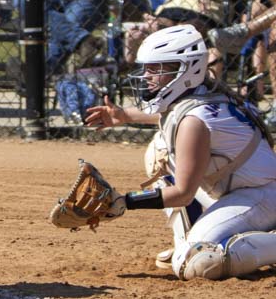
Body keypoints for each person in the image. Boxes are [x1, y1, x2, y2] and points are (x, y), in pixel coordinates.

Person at [85, 24, 276, 281]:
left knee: (198, 263)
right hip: (241, 191)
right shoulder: (200, 96)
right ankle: (192, 240)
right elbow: (168, 117)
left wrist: (124, 201)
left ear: (185, 70)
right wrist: (123, 115)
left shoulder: (194, 121)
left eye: (157, 69)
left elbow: (183, 193)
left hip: (262, 198)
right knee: (159, 149)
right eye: (147, 68)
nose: (147, 76)